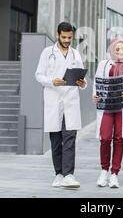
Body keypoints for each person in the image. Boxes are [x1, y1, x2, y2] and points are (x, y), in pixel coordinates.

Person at [35, 22, 87, 188]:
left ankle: (69, 175)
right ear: (58, 35)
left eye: (69, 37)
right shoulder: (47, 53)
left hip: (70, 101)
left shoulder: (76, 54)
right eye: (64, 37)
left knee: (70, 138)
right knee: (56, 140)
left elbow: (82, 78)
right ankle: (58, 174)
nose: (67, 40)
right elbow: (38, 75)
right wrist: (52, 81)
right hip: (53, 100)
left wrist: (82, 82)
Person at [92, 37, 123, 188]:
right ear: (111, 50)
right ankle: (104, 171)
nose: (120, 52)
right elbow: (97, 82)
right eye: (117, 49)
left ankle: (114, 174)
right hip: (106, 106)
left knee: (119, 139)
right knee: (105, 138)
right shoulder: (103, 64)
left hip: (122, 107)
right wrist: (95, 94)